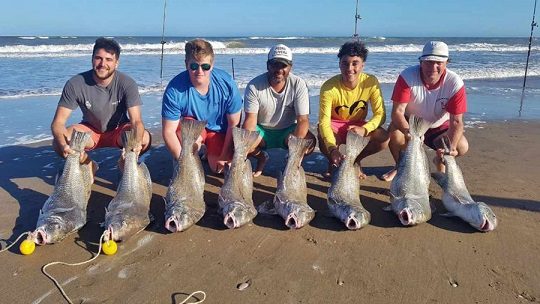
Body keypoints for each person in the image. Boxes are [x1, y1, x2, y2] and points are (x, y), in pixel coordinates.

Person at [51, 37, 151, 179]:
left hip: (119, 130)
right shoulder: (75, 83)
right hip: (91, 130)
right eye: (98, 58)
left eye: (109, 59)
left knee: (144, 138)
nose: (102, 64)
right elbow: (58, 123)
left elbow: (136, 121)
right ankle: (89, 164)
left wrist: (137, 143)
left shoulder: (127, 83)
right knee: (58, 141)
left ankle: (124, 164)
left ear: (116, 63)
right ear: (92, 59)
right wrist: (63, 145)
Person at [382, 41, 468, 181]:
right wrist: (409, 132)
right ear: (421, 62)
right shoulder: (407, 76)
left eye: (438, 63)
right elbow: (397, 112)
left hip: (438, 126)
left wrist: (450, 148)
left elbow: (456, 121)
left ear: (446, 62)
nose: (433, 67)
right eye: (428, 62)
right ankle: (400, 167)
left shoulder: (455, 83)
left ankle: (439, 161)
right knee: (395, 134)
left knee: (461, 146)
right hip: (411, 123)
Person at [162, 39, 242, 174]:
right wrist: (183, 162)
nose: (199, 71)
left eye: (205, 66)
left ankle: (208, 151)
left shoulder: (227, 84)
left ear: (212, 65)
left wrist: (224, 155)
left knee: (218, 168)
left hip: (219, 130)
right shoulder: (174, 89)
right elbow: (168, 131)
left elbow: (233, 125)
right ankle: (192, 153)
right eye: (194, 66)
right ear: (186, 64)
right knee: (189, 144)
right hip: (193, 128)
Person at [318, 40, 389, 179]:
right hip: (335, 125)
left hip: (358, 126)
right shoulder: (328, 87)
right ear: (339, 64)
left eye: (355, 63)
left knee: (383, 138)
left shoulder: (370, 82)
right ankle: (333, 160)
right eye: (345, 63)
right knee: (322, 134)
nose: (350, 68)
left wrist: (365, 129)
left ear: (363, 65)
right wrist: (332, 149)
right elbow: (324, 122)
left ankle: (355, 161)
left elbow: (380, 114)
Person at [243, 44, 316, 177]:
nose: (279, 70)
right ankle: (261, 157)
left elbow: (303, 120)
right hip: (262, 132)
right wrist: (244, 147)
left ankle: (291, 162)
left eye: (283, 66)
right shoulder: (254, 85)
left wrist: (296, 151)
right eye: (275, 65)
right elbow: (250, 120)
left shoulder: (299, 84)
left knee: (309, 143)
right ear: (267, 65)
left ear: (290, 67)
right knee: (241, 142)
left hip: (288, 132)